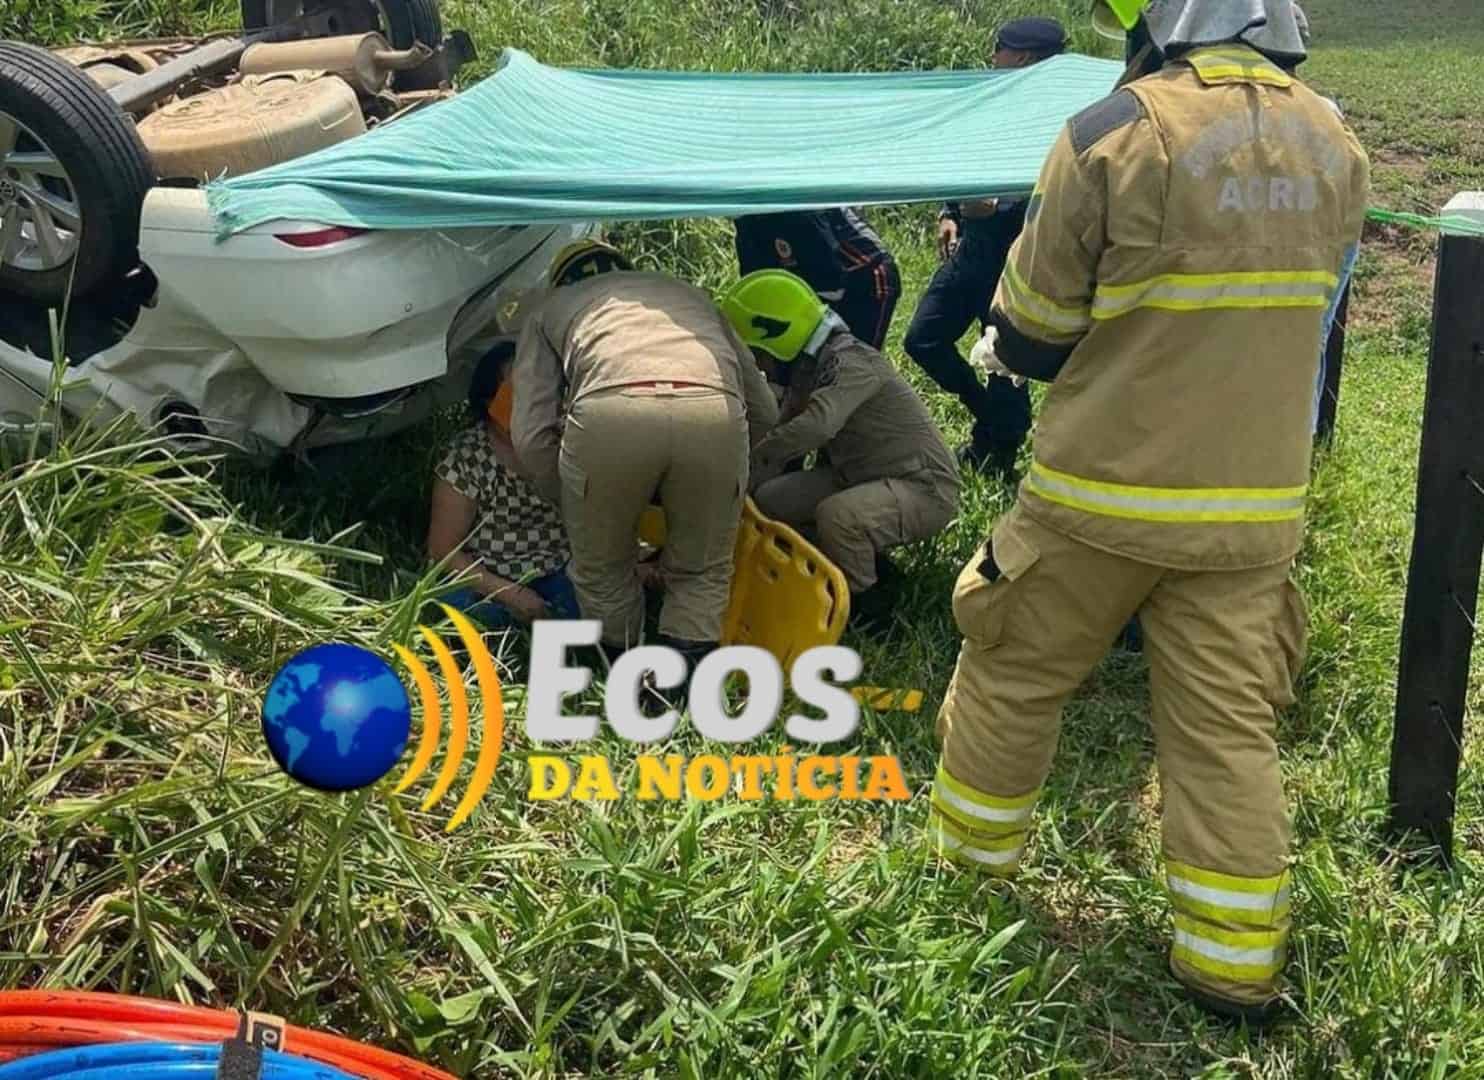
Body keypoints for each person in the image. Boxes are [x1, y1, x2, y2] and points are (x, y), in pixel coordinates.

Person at [930, 0, 1369, 1025]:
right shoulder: (1335, 140)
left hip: (1096, 500)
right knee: (1224, 730)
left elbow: (1031, 330)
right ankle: (1228, 962)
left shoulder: (1110, 130)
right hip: (1251, 515)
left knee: (1010, 669)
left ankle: (964, 873)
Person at [510, 239, 778, 685]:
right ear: (627, 270)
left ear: (562, 282)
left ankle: (623, 681)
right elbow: (764, 409)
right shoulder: (691, 296)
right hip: (714, 411)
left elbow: (530, 433)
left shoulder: (550, 309)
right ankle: (682, 694)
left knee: (603, 569)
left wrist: (570, 496)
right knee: (703, 569)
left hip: (608, 414)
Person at [720, 270, 960, 621]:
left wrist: (752, 458)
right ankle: (841, 561)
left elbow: (816, 426)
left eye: (757, 353)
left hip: (923, 487)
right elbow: (786, 422)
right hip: (859, 475)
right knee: (771, 499)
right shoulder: (810, 365)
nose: (759, 364)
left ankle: (868, 606)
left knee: (839, 517)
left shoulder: (853, 364)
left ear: (776, 337)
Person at [903, 16, 1069, 483]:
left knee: (1003, 361)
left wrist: (989, 208)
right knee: (922, 340)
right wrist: (949, 212)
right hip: (972, 256)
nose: (992, 57)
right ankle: (985, 416)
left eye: (1000, 49)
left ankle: (996, 455)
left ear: (1023, 59)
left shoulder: (1054, 122)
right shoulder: (992, 103)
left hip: (1014, 261)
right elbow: (966, 167)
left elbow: (1038, 191)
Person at [427, 341, 579, 629]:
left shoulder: (566, 443)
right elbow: (442, 551)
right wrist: (512, 594)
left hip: (555, 566)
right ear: (490, 399)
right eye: (520, 392)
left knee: (588, 605)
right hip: (484, 571)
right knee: (459, 610)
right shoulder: (467, 456)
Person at [733, 208, 902, 349]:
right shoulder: (744, 216)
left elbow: (830, 279)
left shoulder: (802, 213)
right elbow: (756, 283)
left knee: (856, 361)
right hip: (821, 277)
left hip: (867, 275)